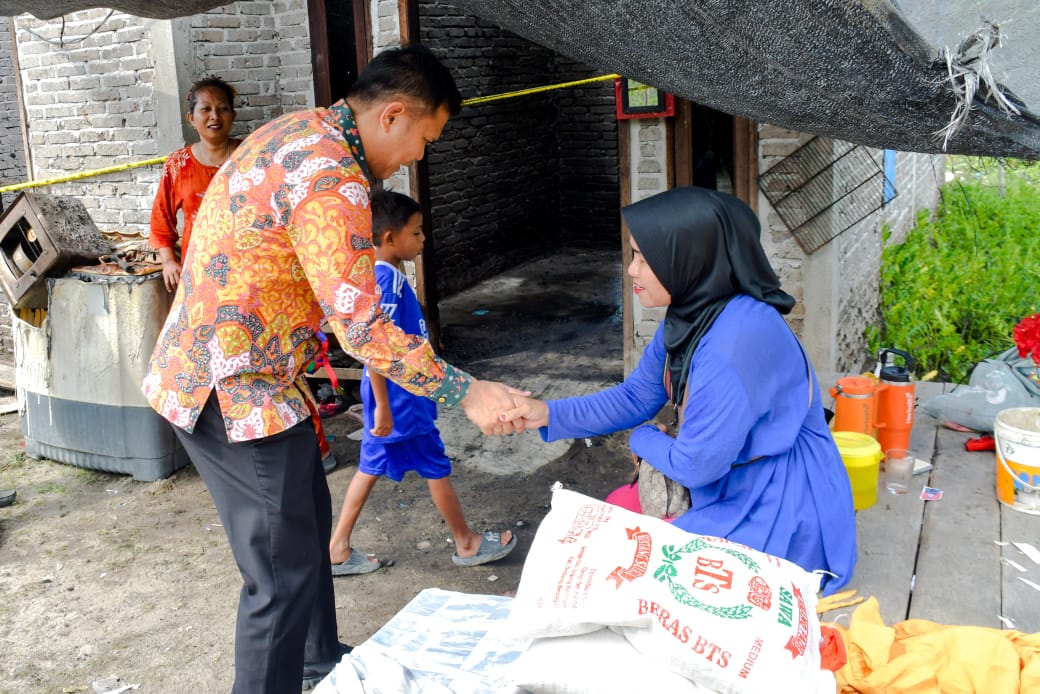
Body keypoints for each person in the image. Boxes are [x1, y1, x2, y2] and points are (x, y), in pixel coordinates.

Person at [142, 45, 527, 694]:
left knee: (308, 522)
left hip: (247, 375)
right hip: (233, 392)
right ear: (395, 115)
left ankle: (319, 661)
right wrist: (466, 390)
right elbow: (364, 328)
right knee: (278, 573)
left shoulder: (298, 130)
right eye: (424, 139)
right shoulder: (333, 178)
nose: (418, 157)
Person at [504, 187, 857, 595]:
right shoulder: (696, 312)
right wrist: (547, 413)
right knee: (616, 532)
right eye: (632, 254)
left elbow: (695, 466)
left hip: (776, 496)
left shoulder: (734, 344)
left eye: (643, 257)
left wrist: (643, 437)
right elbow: (637, 396)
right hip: (732, 474)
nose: (631, 270)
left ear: (689, 257)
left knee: (630, 575)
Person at [329, 191, 516, 577]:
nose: (422, 239)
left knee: (372, 464)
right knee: (433, 463)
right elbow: (376, 348)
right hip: (400, 397)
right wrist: (381, 405)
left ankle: (338, 547)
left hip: (396, 395)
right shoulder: (385, 280)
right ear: (388, 239)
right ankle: (466, 542)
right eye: (415, 233)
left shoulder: (383, 276)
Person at [149, 76, 241, 293]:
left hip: (246, 268)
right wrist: (169, 261)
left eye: (223, 109)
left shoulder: (251, 156)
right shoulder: (178, 164)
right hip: (198, 271)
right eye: (205, 109)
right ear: (191, 118)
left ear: (233, 115)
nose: (215, 116)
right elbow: (161, 221)